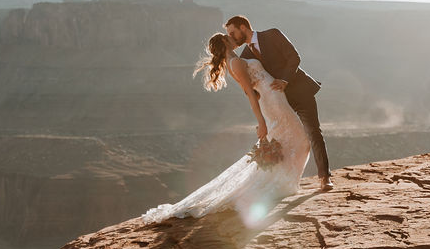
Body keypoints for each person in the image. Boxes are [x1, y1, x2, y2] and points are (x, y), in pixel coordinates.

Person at [139, 31, 313, 226]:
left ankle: (281, 182)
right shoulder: (236, 63)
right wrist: (261, 122)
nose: (232, 37)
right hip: (273, 103)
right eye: (228, 35)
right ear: (224, 41)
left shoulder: (236, 60)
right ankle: (279, 184)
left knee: (293, 141)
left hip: (275, 99)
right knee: (302, 141)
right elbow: (249, 94)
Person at [224, 15, 334, 192]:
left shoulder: (272, 34)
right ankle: (283, 180)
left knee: (313, 131)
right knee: (283, 139)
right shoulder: (244, 56)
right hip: (277, 104)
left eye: (232, 32)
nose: (231, 37)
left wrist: (284, 80)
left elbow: (294, 58)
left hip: (300, 92)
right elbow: (249, 87)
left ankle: (324, 177)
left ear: (243, 27)